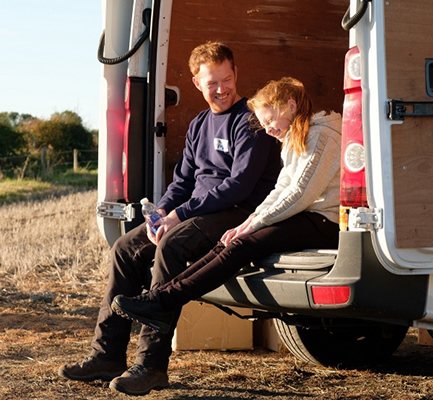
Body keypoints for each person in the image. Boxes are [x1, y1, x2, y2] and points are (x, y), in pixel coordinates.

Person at [58, 42, 281, 396]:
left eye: (226, 79)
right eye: (212, 83)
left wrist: (181, 214)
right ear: (197, 83)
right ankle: (107, 355)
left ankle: (151, 364)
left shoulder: (250, 120)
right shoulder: (199, 124)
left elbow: (239, 186)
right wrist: (161, 211)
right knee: (124, 248)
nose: (221, 89)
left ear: (236, 73)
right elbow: (183, 180)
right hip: (198, 210)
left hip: (238, 212)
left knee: (172, 246)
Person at [111, 77, 341, 337]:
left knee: (243, 244)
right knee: (230, 241)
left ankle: (161, 301)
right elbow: (281, 188)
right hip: (305, 216)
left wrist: (252, 224)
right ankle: (160, 298)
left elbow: (299, 195)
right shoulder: (295, 137)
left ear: (289, 106)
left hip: (324, 220)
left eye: (269, 121)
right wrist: (246, 223)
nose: (267, 130)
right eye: (263, 124)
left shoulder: (323, 136)